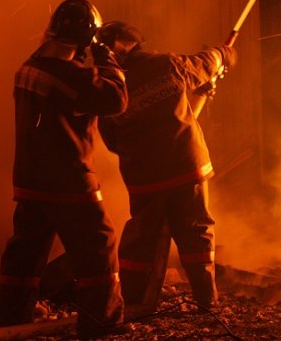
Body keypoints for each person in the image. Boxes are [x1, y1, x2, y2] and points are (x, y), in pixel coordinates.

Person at [0, 0, 130, 339]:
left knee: (25, 255)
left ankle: (11, 324)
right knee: (99, 246)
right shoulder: (70, 76)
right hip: (68, 182)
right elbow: (115, 99)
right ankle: (102, 324)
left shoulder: (29, 66)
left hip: (30, 180)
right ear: (87, 40)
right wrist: (106, 57)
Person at [95, 21, 236, 314]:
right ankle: (207, 300)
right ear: (136, 43)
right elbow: (203, 63)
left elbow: (111, 140)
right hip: (186, 169)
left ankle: (132, 300)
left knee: (140, 240)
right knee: (196, 233)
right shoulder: (165, 65)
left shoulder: (108, 86)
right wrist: (223, 54)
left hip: (144, 179)